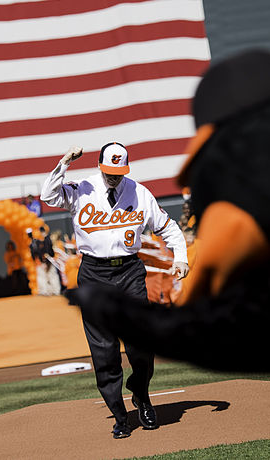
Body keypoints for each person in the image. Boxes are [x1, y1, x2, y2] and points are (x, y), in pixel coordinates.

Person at [40, 142, 189, 439]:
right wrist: (65, 162)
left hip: (130, 271)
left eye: (119, 172)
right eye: (109, 172)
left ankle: (141, 395)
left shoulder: (139, 192)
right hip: (94, 274)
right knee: (104, 349)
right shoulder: (82, 188)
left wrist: (181, 257)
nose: (114, 177)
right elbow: (48, 195)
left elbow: (169, 228)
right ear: (99, 166)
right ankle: (120, 415)